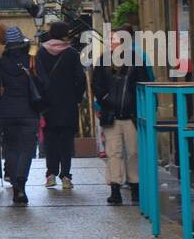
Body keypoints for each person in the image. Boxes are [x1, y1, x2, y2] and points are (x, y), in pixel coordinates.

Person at [92, 25, 153, 205]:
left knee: (134, 152)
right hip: (111, 114)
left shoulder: (136, 61)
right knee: (114, 153)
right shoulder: (103, 61)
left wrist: (136, 106)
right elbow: (97, 85)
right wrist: (105, 100)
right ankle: (115, 189)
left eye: (114, 38)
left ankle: (135, 187)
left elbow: (144, 84)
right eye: (110, 39)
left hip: (132, 115)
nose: (111, 42)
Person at [0, 26, 40, 206]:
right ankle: (21, 184)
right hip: (29, 111)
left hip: (7, 111)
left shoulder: (1, 63)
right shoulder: (31, 61)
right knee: (27, 149)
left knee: (11, 148)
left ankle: (15, 182)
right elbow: (44, 84)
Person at [35, 21, 87, 191]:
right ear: (65, 33)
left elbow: (39, 78)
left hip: (48, 104)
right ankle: (65, 176)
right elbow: (80, 78)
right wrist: (77, 98)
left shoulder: (41, 53)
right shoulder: (71, 53)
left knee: (50, 141)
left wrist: (42, 99)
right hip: (67, 103)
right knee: (66, 141)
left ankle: (50, 174)